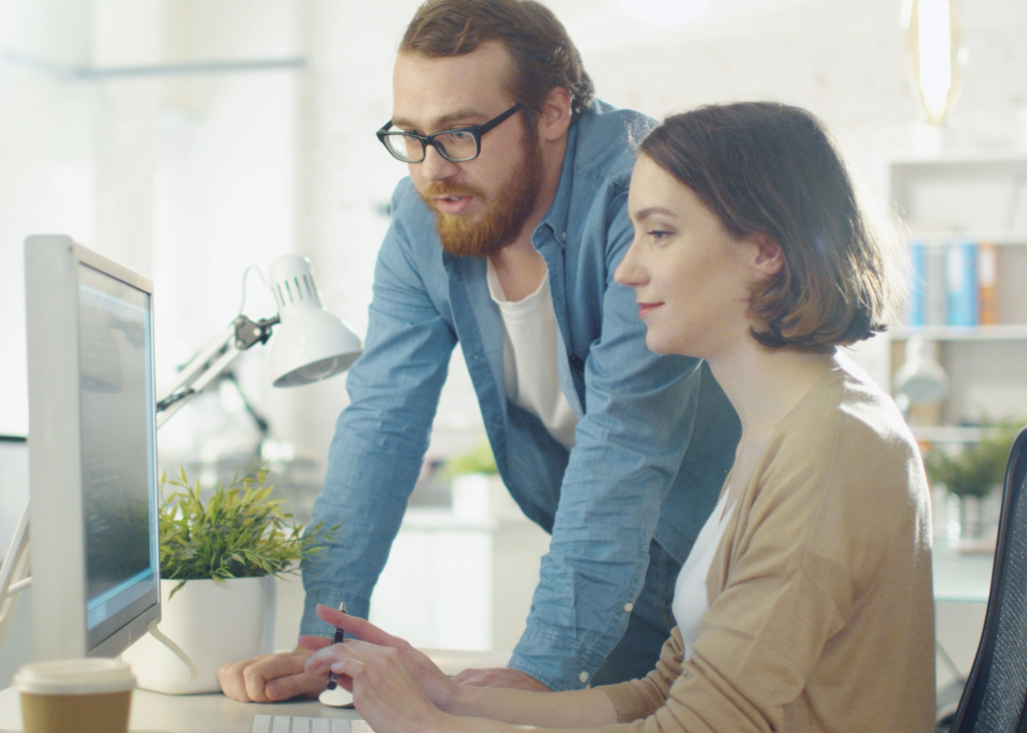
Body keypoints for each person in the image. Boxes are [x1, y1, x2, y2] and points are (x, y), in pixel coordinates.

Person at [296, 101, 937, 732]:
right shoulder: (775, 431)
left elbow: (700, 727)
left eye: (659, 234)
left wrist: (428, 727)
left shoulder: (830, 446)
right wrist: (451, 700)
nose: (627, 270)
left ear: (763, 251)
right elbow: (661, 694)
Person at [218, 0, 739, 701]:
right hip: (615, 560)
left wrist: (534, 674)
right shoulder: (423, 218)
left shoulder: (642, 195)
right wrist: (325, 642)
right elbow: (381, 424)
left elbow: (626, 439)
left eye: (460, 134)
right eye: (411, 136)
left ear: (553, 112)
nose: (432, 170)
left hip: (729, 545)